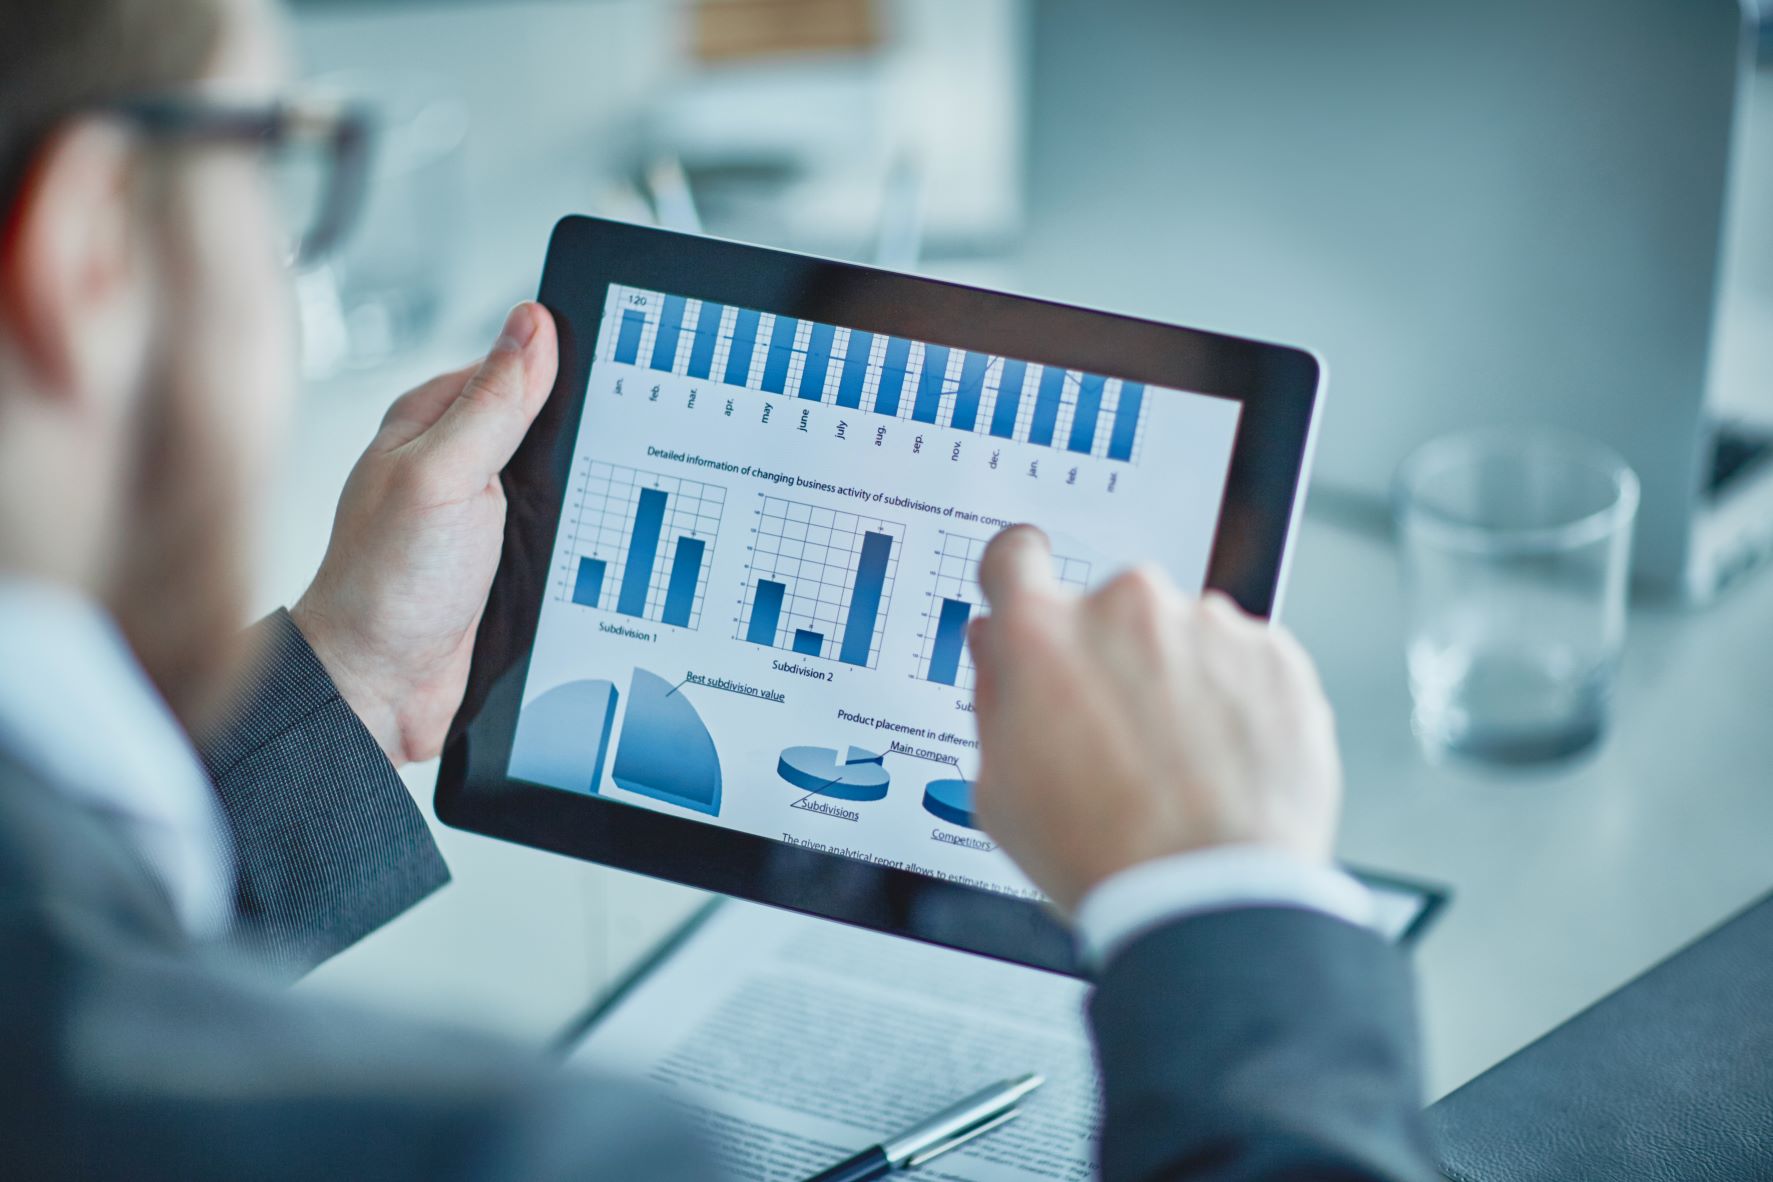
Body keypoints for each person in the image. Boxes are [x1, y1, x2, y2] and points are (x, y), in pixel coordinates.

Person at [0, 1, 1438, 1178]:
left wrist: (355, 678)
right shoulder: (529, 1153)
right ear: (93, 250)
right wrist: (1225, 907)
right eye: (274, 183)